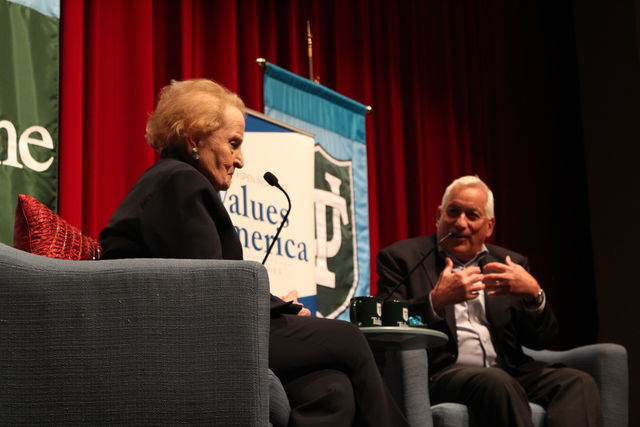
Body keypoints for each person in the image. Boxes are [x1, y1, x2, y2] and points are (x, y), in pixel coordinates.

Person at [100, 79, 408, 427]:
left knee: (331, 389)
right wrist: (283, 306)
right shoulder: (179, 182)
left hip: (206, 323)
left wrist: (276, 302)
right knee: (350, 338)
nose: (240, 160)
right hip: (193, 333)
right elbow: (212, 286)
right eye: (233, 144)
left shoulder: (172, 180)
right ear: (194, 139)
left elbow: (206, 276)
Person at [375, 175, 602, 427]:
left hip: (510, 371)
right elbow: (382, 319)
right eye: (453, 212)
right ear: (439, 215)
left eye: (472, 215)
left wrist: (534, 295)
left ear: (489, 225)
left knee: (578, 382)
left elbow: (542, 339)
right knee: (496, 382)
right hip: (442, 374)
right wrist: (435, 301)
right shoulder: (402, 258)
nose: (460, 223)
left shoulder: (510, 264)